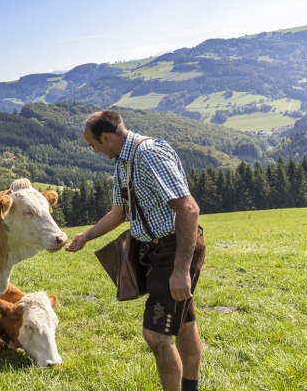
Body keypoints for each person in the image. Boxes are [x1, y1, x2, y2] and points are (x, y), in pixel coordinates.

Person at [66, 110, 205, 391]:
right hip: (156, 252)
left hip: (172, 250)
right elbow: (119, 212)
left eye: (92, 145)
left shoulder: (148, 154)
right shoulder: (123, 162)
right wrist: (87, 236)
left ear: (106, 137)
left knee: (156, 336)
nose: (93, 151)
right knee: (183, 322)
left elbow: (189, 209)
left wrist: (180, 271)